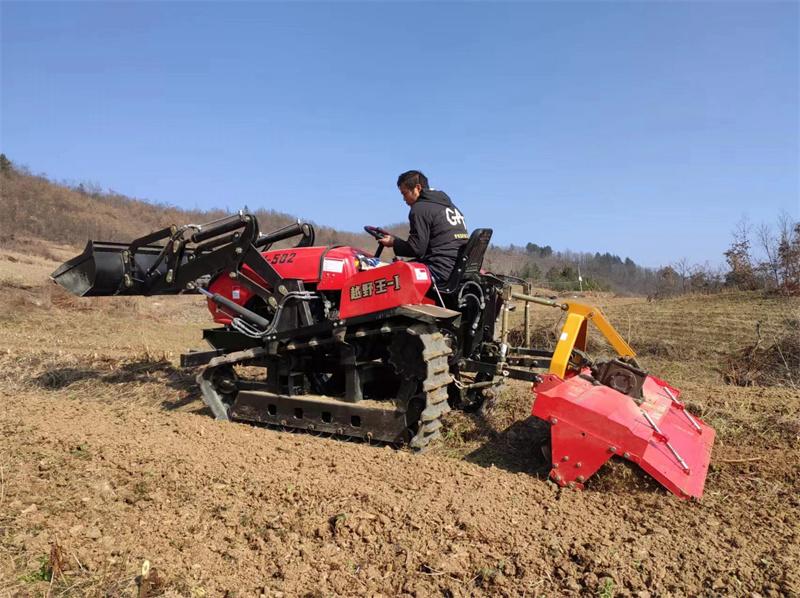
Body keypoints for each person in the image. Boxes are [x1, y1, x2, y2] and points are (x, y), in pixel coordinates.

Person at [378, 170, 469, 285]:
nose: (404, 199)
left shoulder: (420, 209)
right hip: (458, 268)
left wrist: (394, 242)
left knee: (391, 279)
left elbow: (416, 249)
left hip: (440, 269)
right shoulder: (449, 206)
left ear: (418, 188)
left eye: (404, 193)